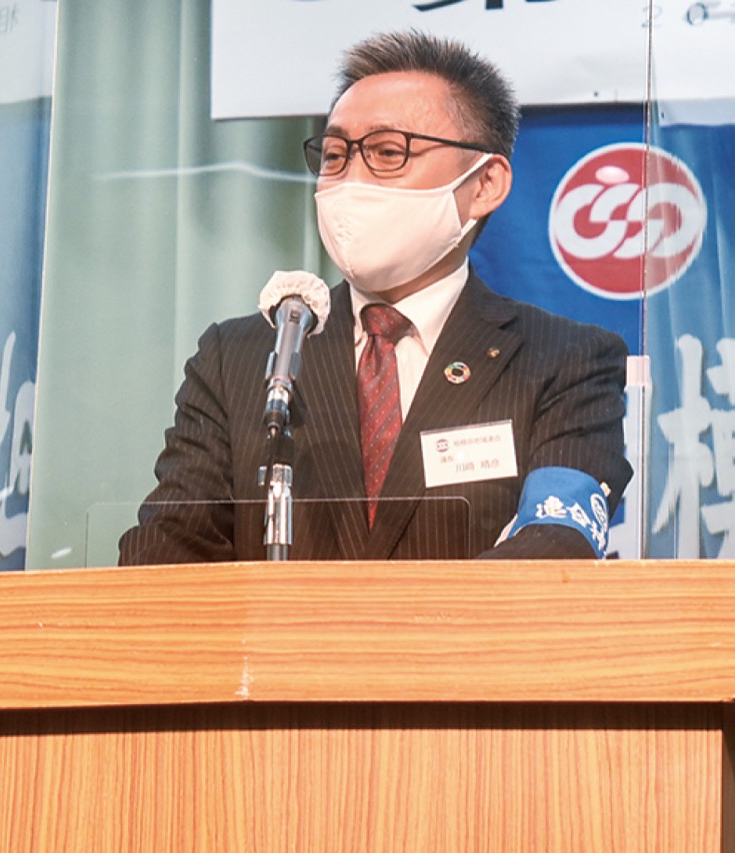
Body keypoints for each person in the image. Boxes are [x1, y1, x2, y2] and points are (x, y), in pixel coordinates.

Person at [118, 30, 631, 564]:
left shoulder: (564, 361)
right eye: (335, 155)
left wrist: (386, 618)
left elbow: (556, 543)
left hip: (466, 624)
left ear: (485, 184)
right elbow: (163, 553)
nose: (351, 181)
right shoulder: (246, 358)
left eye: (388, 153)